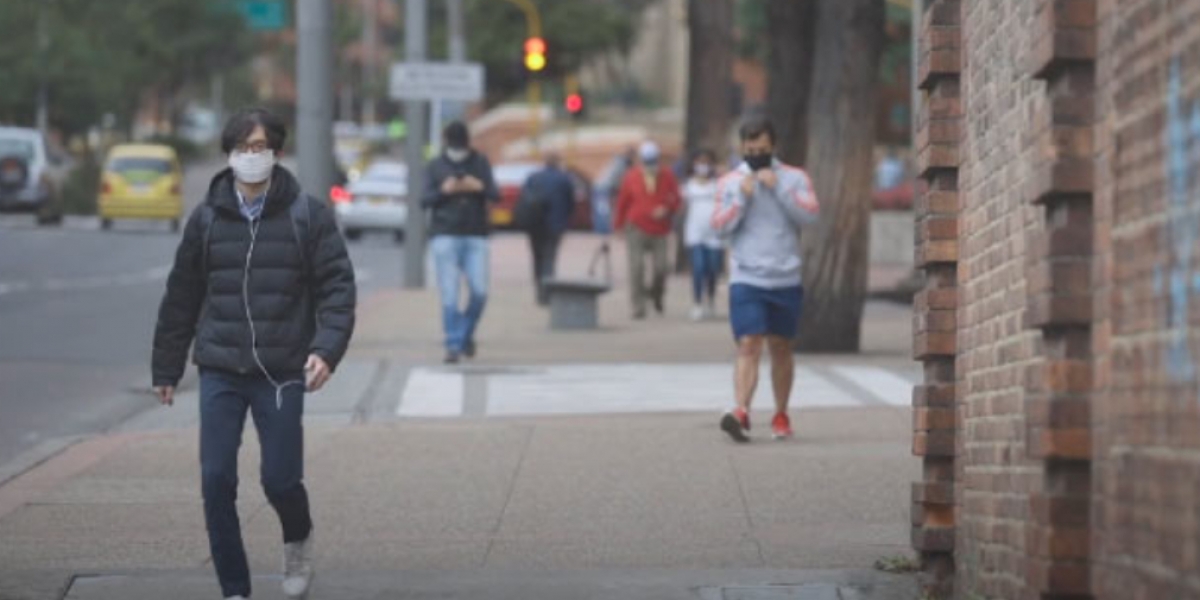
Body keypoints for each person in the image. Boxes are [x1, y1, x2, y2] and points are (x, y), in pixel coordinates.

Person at [151, 108, 357, 600]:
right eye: (242, 148)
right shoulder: (205, 220)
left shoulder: (307, 215)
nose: (251, 157)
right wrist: (167, 366)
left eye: (259, 147)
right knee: (216, 479)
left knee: (280, 480)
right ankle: (235, 589)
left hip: (283, 369)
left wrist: (326, 351)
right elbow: (181, 296)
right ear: (228, 155)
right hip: (221, 368)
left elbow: (337, 289)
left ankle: (298, 540)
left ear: (277, 154)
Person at [711, 116, 820, 442]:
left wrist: (779, 189)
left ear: (773, 147)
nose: (756, 154)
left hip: (785, 276)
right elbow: (718, 227)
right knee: (748, 343)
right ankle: (741, 411)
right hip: (747, 277)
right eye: (750, 149)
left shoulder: (794, 178)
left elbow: (811, 214)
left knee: (782, 347)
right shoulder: (730, 182)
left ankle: (781, 414)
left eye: (762, 149)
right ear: (742, 148)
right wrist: (741, 199)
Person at [422, 121, 500, 364]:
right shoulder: (435, 166)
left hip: (476, 233)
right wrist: (445, 190)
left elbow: (495, 195)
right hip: (445, 233)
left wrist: (479, 186)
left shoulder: (480, 162)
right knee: (450, 293)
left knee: (480, 291)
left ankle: (464, 334)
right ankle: (453, 344)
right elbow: (423, 200)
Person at [614, 141, 682, 319]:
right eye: (647, 161)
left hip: (660, 229)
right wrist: (618, 226)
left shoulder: (667, 176)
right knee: (636, 268)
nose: (650, 165)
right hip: (636, 227)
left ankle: (656, 294)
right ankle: (638, 306)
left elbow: (676, 199)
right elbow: (623, 202)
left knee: (661, 268)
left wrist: (667, 208)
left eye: (653, 161)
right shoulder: (631, 176)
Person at [519, 152, 577, 305]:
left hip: (534, 224)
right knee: (549, 258)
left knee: (537, 258)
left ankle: (539, 291)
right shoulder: (564, 179)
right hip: (555, 225)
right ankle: (547, 292)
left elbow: (523, 199)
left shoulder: (533, 177)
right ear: (558, 162)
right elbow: (571, 202)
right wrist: (567, 219)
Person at [682, 149, 724, 321]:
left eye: (706, 163)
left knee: (712, 269)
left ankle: (711, 299)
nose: (703, 166)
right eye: (699, 163)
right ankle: (698, 303)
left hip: (715, 234)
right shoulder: (688, 186)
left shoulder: (718, 185)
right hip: (695, 234)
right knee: (698, 268)